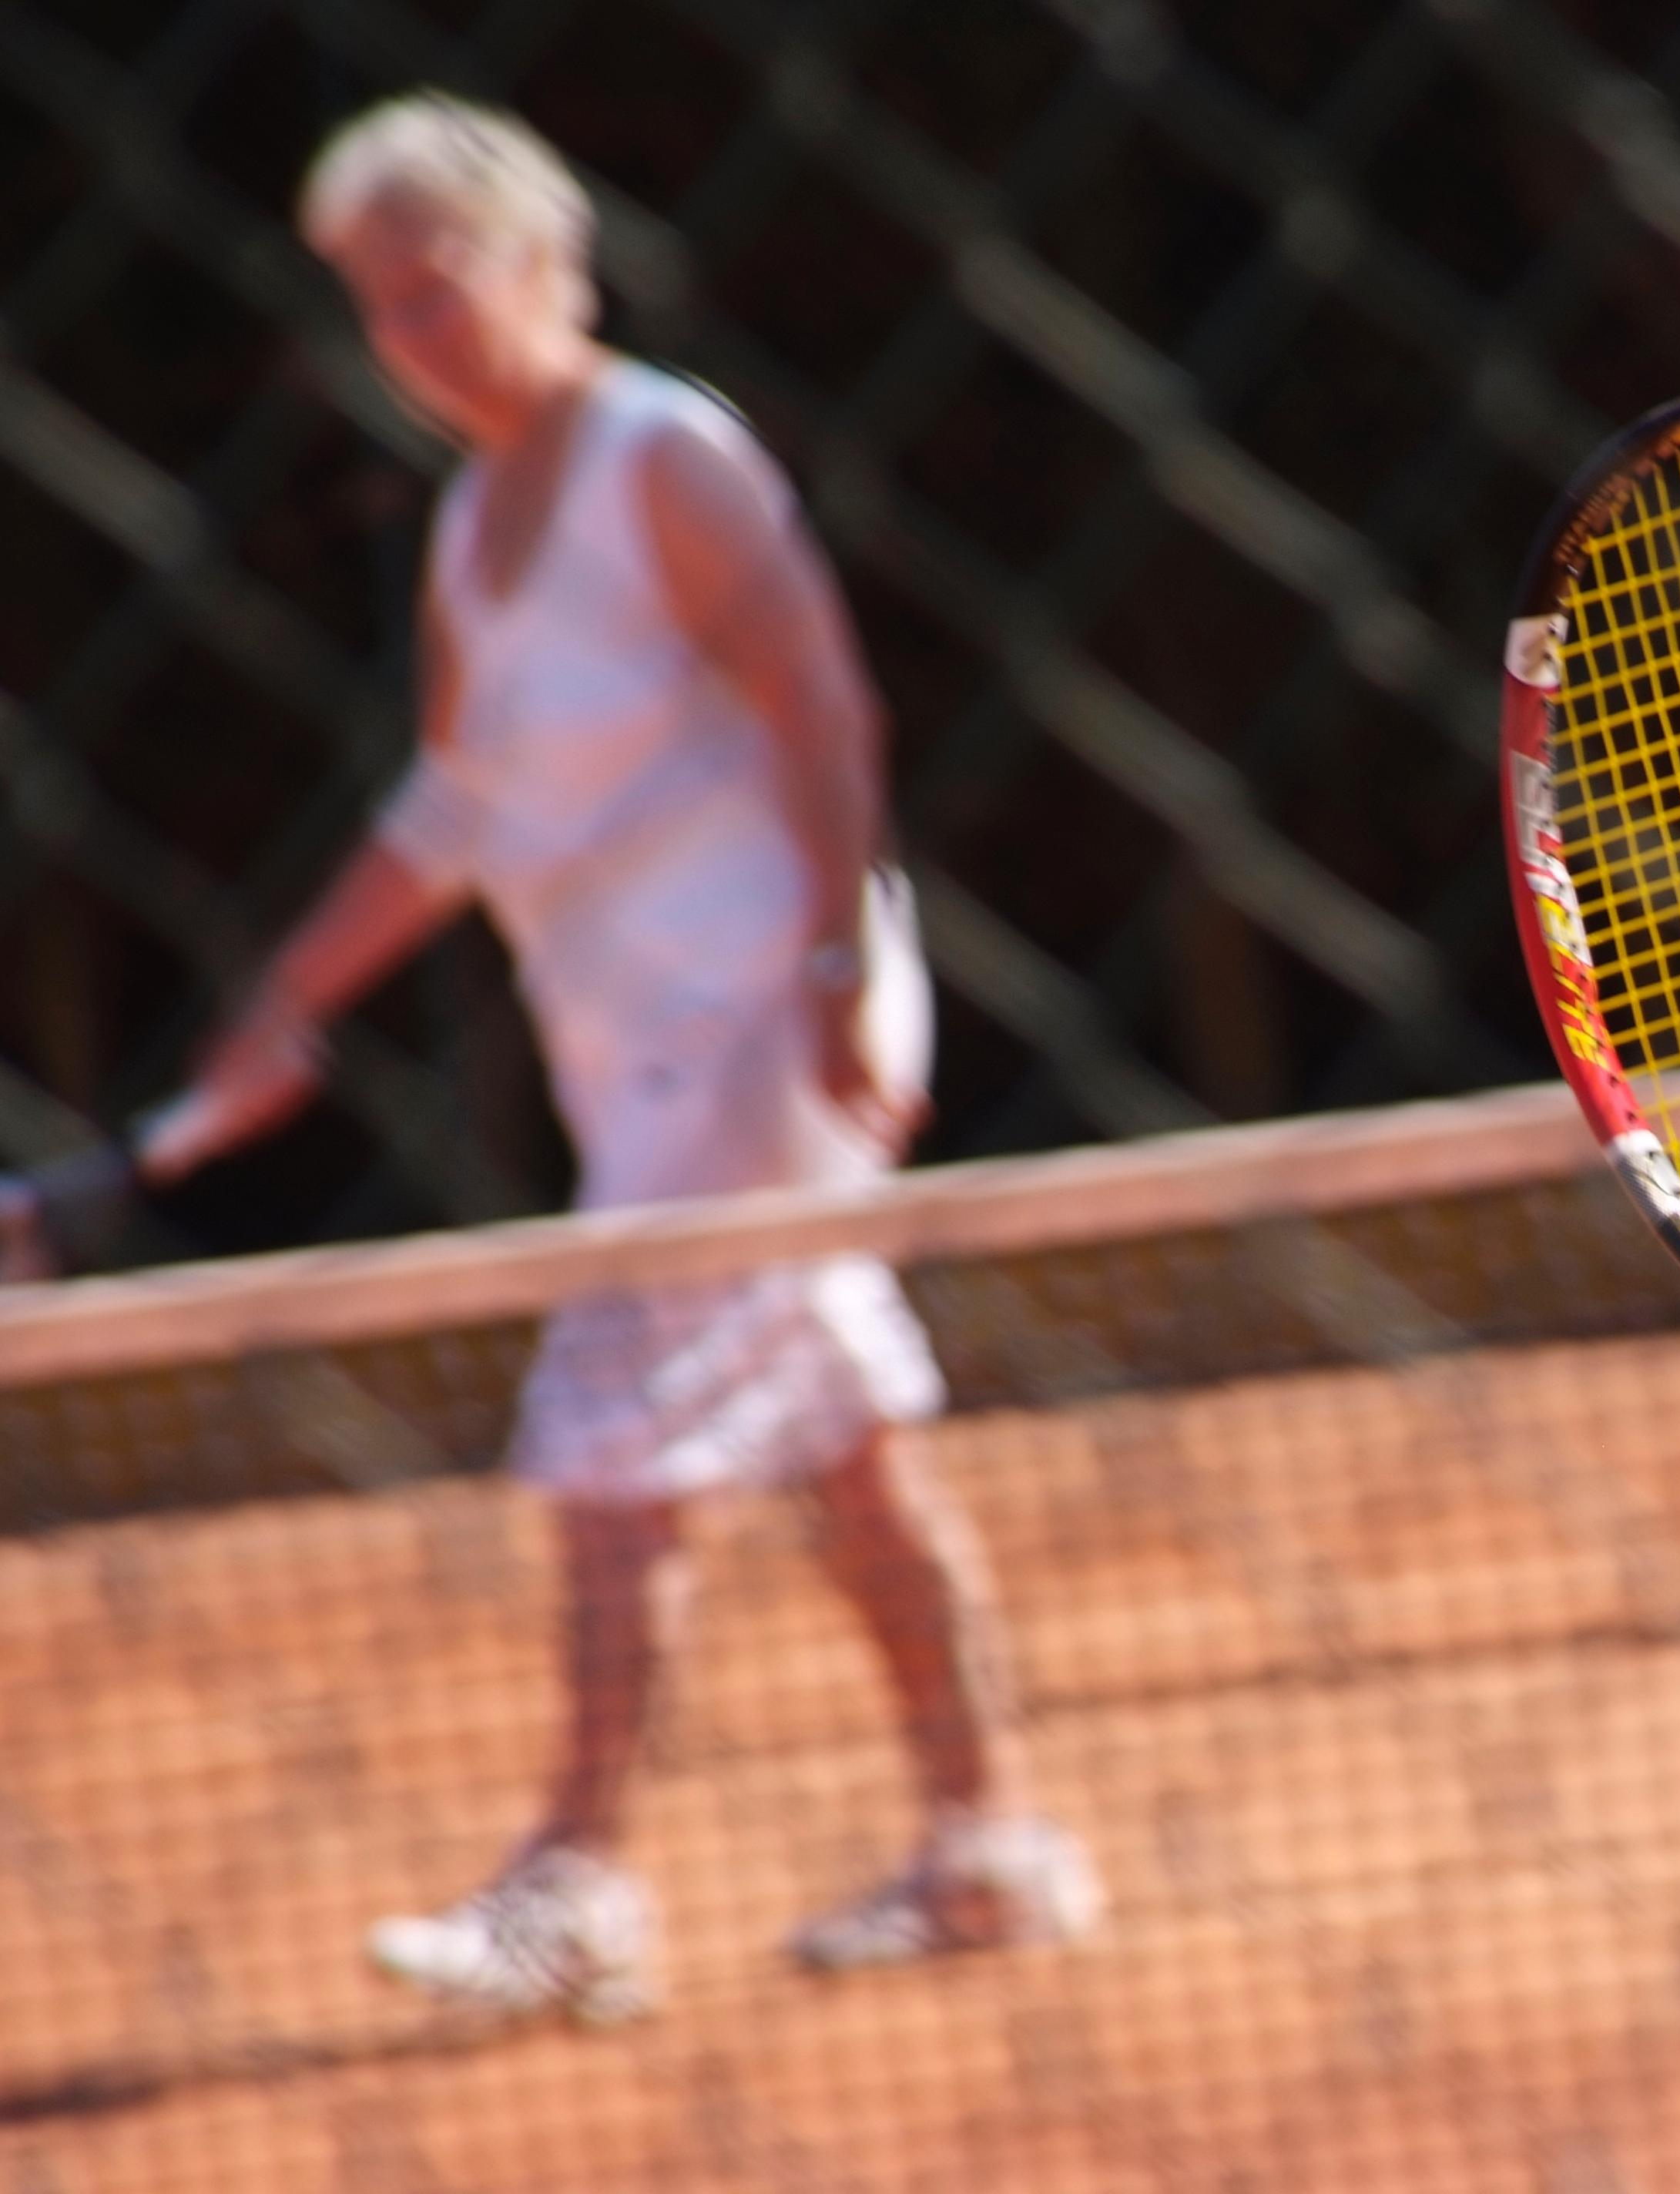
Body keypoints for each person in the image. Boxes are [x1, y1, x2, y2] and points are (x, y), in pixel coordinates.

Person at [140, 91, 1095, 2021]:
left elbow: (819, 696)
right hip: (643, 1057)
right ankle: (988, 1836)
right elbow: (453, 810)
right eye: (375, 306)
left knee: (612, 1449)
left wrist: (834, 949)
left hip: (771, 1025)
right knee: (843, 1448)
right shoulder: (475, 524)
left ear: (534, 261)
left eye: (434, 287)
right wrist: (285, 1001)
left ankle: (575, 1877)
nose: (408, 336)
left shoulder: (664, 454)